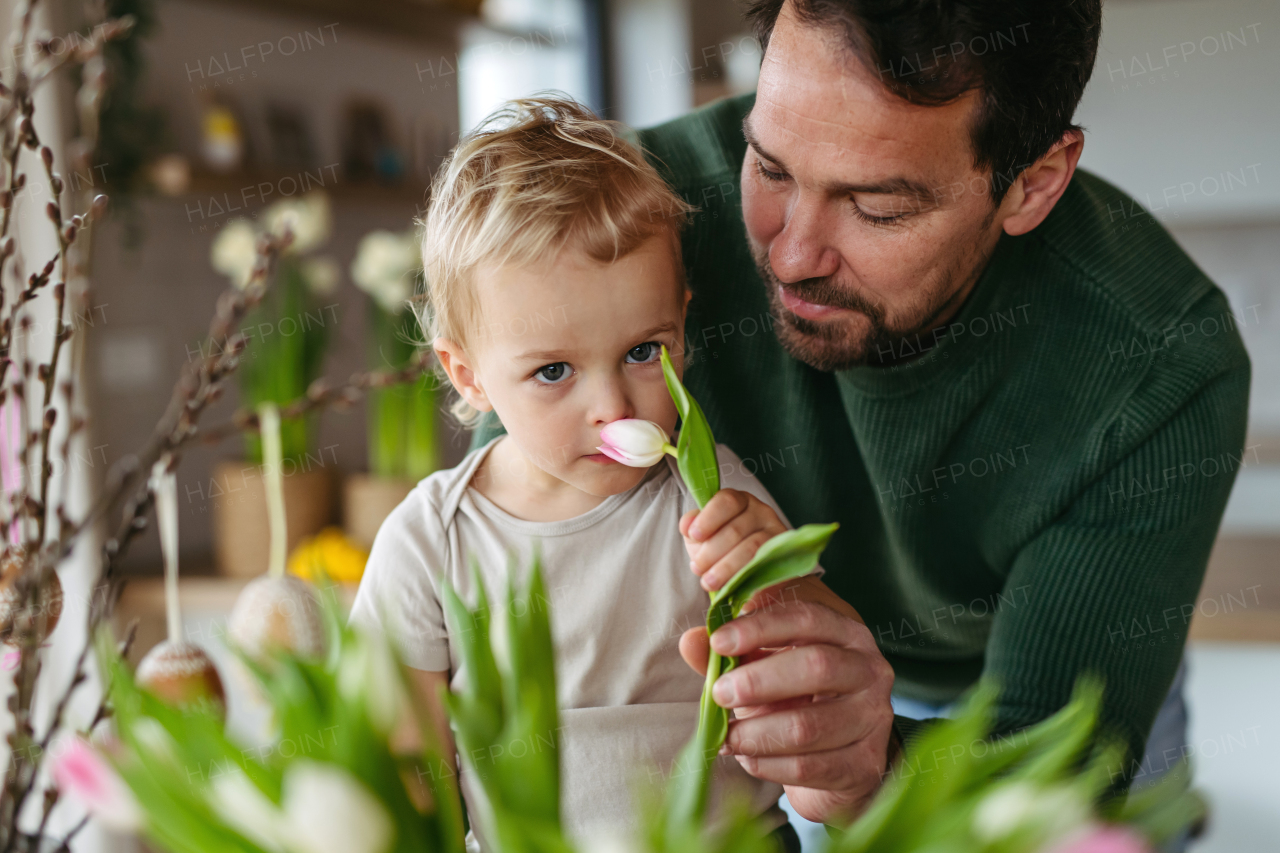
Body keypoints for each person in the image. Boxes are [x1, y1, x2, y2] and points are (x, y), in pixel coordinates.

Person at [470, 0, 1251, 838]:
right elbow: (499, 557)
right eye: (769, 168)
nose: (789, 252)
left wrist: (872, 767)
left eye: (878, 207)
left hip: (1037, 683)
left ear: (1033, 183)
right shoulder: (625, 221)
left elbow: (1049, 764)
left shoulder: (1161, 358)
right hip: (781, 702)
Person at [348, 97, 854, 852]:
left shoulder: (715, 496)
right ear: (469, 375)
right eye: (554, 370)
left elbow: (817, 686)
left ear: (681, 322)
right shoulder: (431, 544)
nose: (615, 403)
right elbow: (405, 775)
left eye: (645, 351)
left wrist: (779, 577)